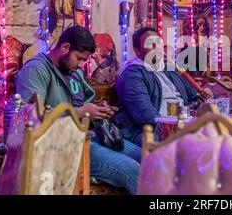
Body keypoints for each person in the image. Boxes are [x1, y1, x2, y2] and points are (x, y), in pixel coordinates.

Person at [16, 26, 140, 194]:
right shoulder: (36, 70)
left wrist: (99, 110)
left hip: (90, 136)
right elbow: (29, 117)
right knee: (133, 169)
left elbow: (86, 103)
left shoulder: (74, 72)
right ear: (65, 47)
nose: (81, 64)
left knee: (146, 156)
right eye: (79, 58)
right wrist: (81, 112)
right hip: (61, 145)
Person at [114, 27, 213, 146]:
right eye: (151, 44)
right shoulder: (132, 76)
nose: (157, 47)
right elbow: (147, 117)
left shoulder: (170, 70)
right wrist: (182, 129)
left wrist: (207, 94)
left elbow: (194, 96)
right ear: (137, 50)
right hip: (153, 133)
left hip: (180, 125)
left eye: (159, 42)